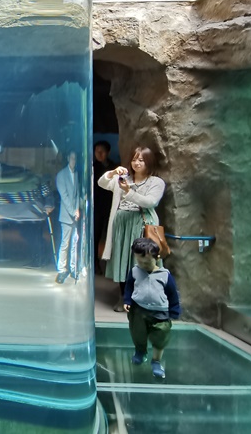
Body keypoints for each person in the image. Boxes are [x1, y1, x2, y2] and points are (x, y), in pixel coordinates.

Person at [98, 146, 166, 311]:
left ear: (149, 162)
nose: (136, 163)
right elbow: (102, 183)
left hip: (142, 226)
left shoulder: (156, 182)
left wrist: (129, 193)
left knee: (142, 261)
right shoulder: (124, 179)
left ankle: (143, 299)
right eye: (134, 159)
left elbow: (150, 202)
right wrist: (113, 173)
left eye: (141, 160)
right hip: (122, 226)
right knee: (122, 261)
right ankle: (124, 298)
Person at [123, 237, 180, 379]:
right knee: (138, 333)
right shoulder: (135, 271)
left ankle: (156, 361)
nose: (143, 265)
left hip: (160, 311)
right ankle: (140, 351)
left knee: (161, 335)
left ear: (156, 258)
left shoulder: (164, 275)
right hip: (138, 310)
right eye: (139, 261)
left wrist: (174, 310)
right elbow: (129, 286)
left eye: (147, 262)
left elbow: (172, 294)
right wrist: (127, 300)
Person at [55, 151, 80, 284]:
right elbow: (64, 197)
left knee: (74, 244)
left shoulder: (76, 174)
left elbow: (77, 194)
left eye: (75, 159)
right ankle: (61, 270)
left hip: (75, 215)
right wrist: (73, 211)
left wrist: (77, 210)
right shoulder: (61, 175)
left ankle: (73, 268)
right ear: (67, 158)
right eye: (72, 159)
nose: (73, 161)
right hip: (66, 216)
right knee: (65, 244)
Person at [93, 141, 117, 268]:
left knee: (110, 235)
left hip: (110, 206)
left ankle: (110, 263)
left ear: (108, 152)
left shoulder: (114, 167)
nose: (99, 154)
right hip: (96, 207)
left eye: (102, 151)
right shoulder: (92, 167)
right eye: (96, 151)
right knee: (95, 235)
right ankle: (94, 263)